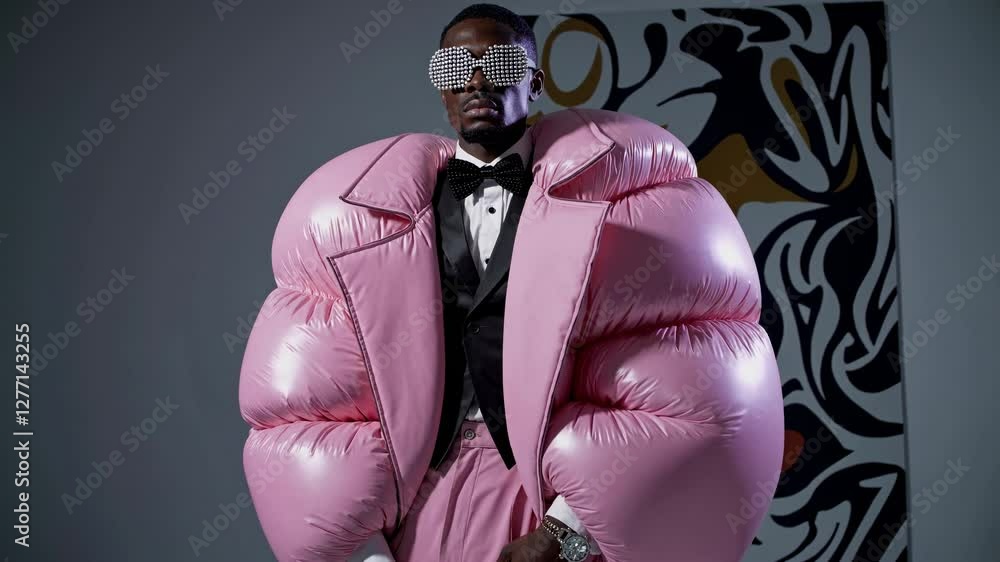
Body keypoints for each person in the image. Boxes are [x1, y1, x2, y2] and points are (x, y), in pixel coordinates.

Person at [238, 4, 785, 561]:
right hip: (420, 499)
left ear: (536, 81)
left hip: (552, 490)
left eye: (498, 61)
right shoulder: (358, 218)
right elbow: (309, 408)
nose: (476, 80)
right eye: (456, 67)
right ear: (440, 87)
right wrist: (365, 551)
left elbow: (693, 391)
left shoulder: (631, 204)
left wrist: (564, 536)